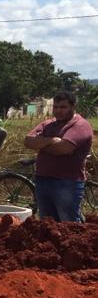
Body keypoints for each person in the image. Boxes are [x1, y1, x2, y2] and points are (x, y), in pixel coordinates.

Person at [24, 90, 94, 222]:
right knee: (47, 224)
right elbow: (28, 141)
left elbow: (63, 148)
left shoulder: (80, 125)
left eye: (63, 107)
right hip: (43, 180)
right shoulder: (48, 124)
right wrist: (51, 141)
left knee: (68, 225)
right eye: (55, 107)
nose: (58, 110)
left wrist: (41, 144)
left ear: (73, 107)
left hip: (67, 183)